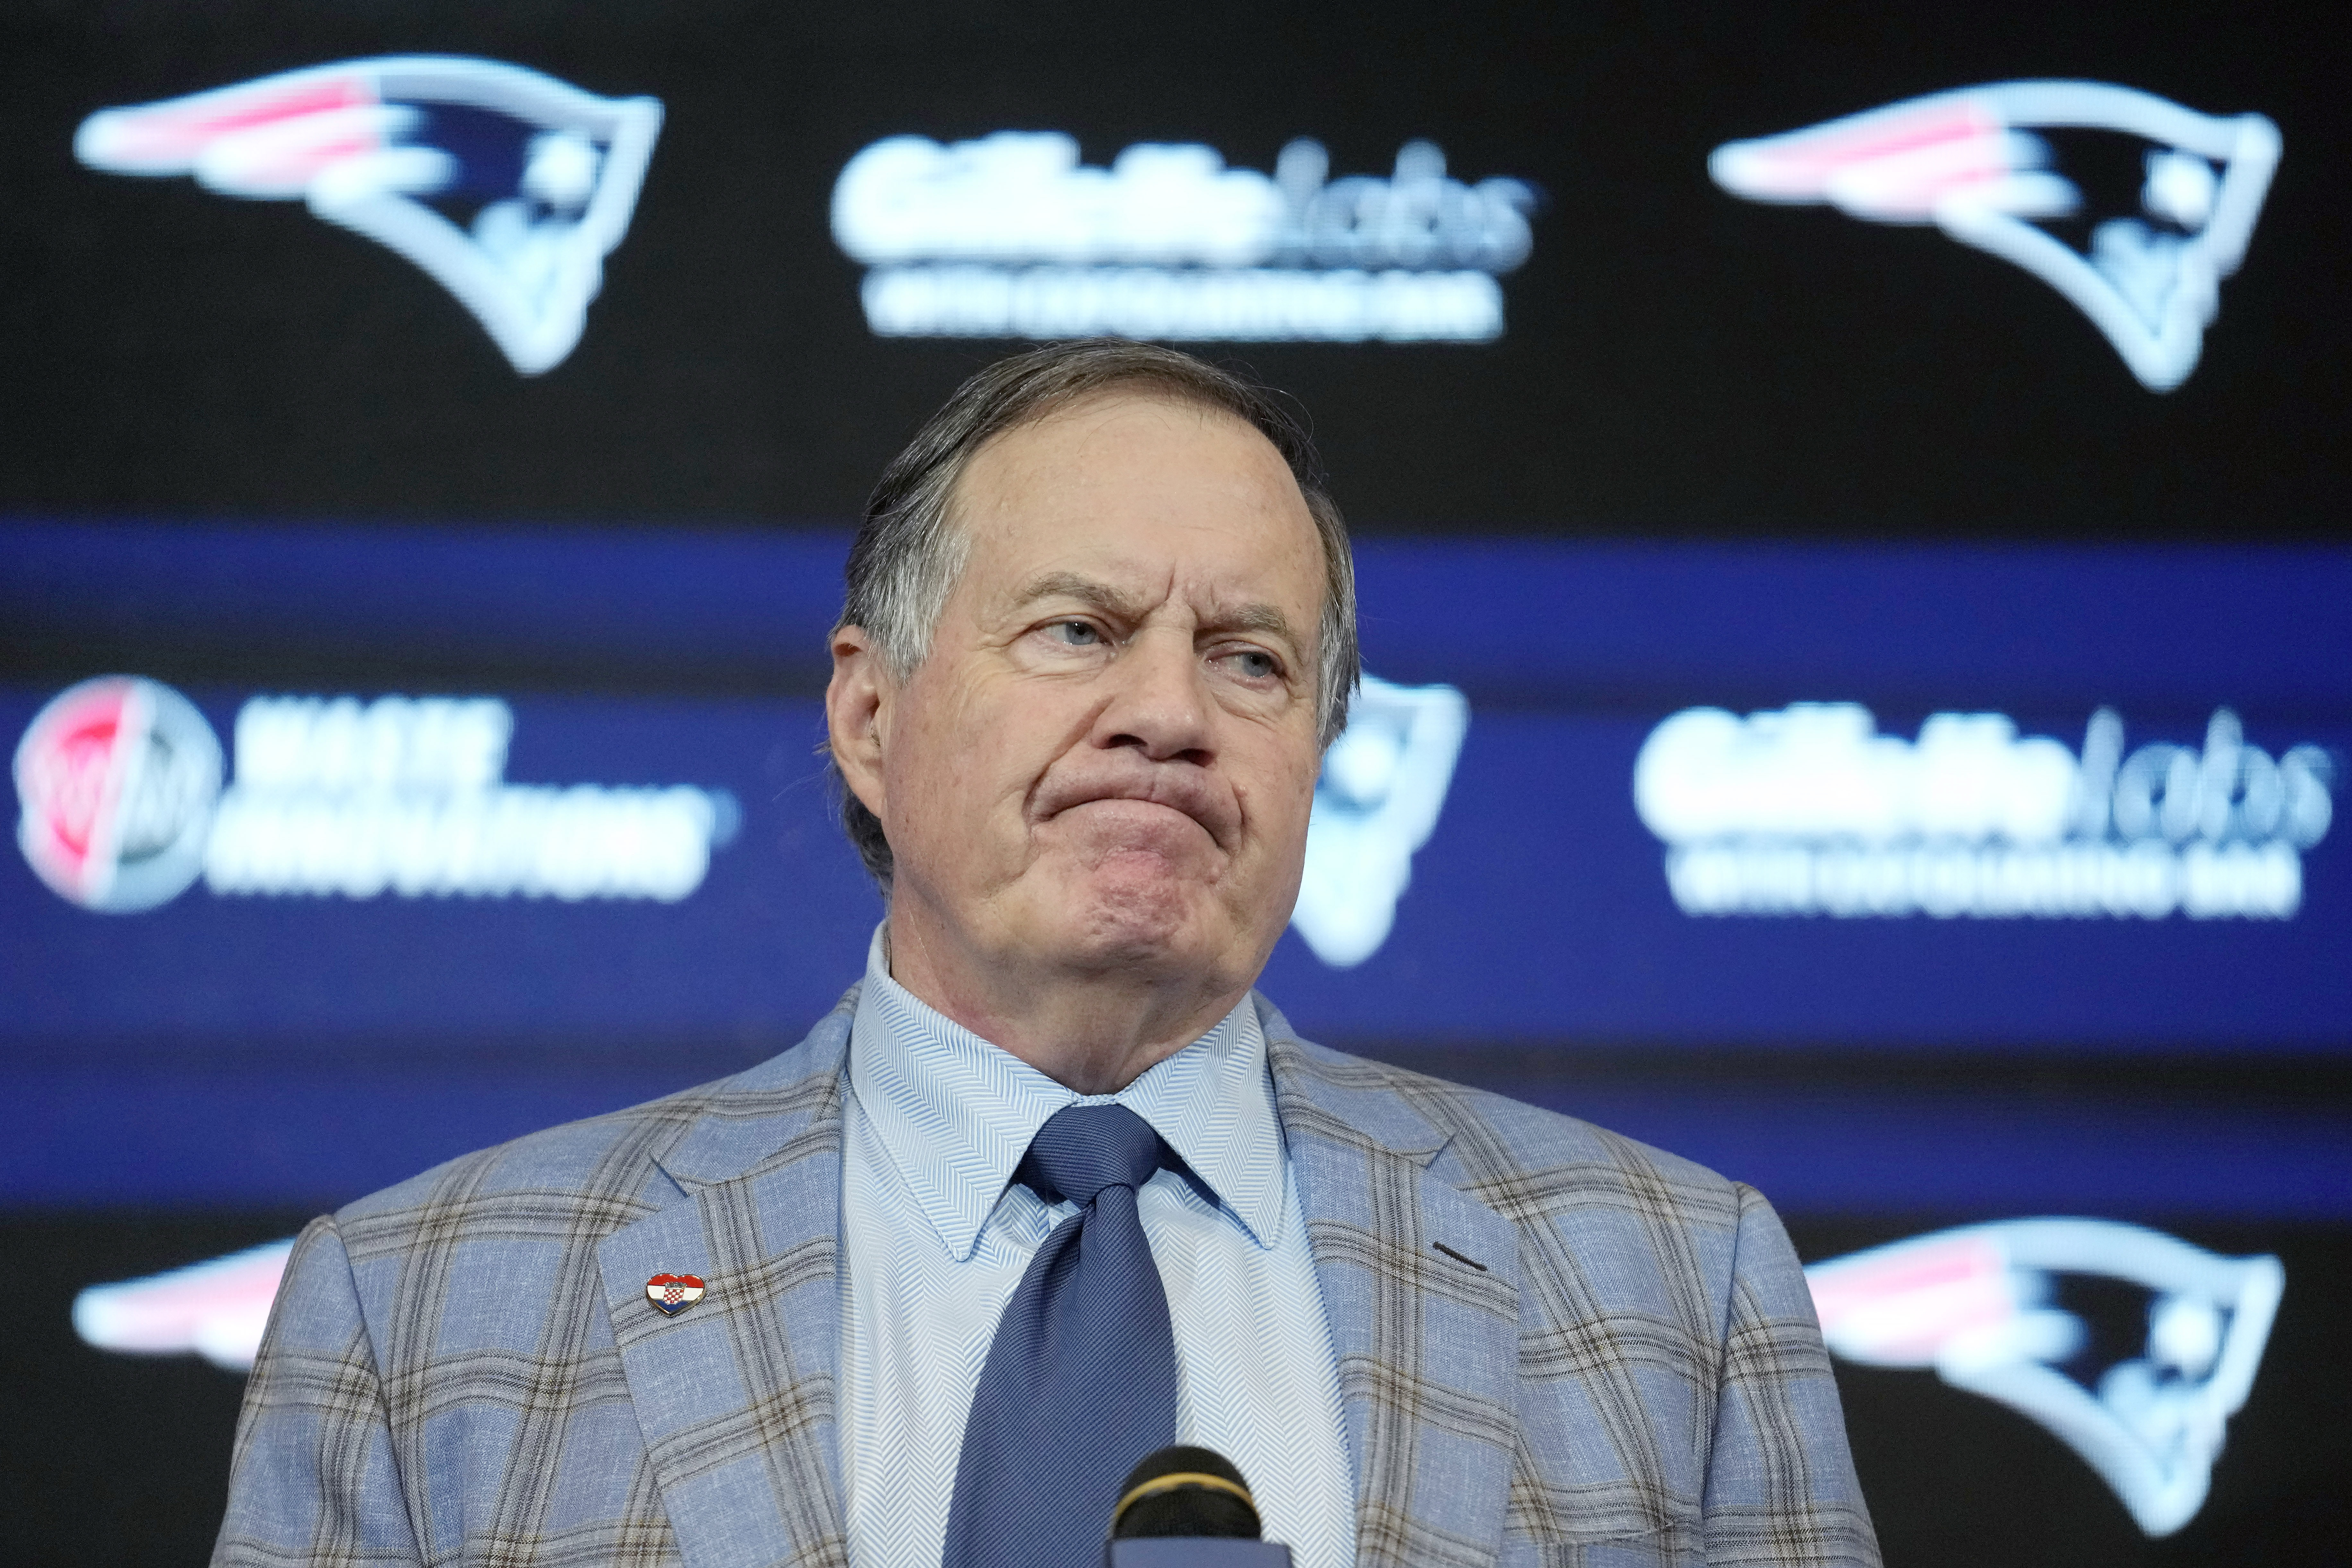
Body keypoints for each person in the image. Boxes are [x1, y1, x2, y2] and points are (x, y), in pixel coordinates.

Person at [215, 340, 1880, 1568]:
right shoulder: (419, 1309)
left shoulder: (1674, 1288)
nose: (1165, 713)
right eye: (1078, 629)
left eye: (1247, 658)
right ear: (871, 717)